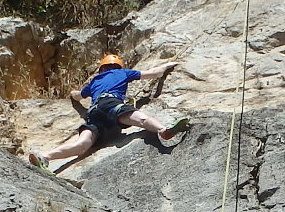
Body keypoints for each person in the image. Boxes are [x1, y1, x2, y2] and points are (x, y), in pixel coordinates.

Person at [27, 54, 187, 169]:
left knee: (82, 145)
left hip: (94, 112)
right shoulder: (122, 73)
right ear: (118, 66)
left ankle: (45, 157)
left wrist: (71, 93)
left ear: (102, 68)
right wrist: (168, 65)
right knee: (141, 119)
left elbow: (77, 96)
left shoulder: (95, 81)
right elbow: (154, 73)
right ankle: (163, 130)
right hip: (111, 104)